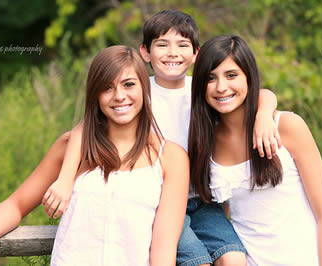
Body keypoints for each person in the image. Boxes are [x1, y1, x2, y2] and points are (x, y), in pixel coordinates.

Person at [45, 9, 280, 266]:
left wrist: (264, 115)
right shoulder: (137, 90)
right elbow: (85, 127)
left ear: (196, 54)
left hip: (202, 200)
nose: (172, 52)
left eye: (182, 45)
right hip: (162, 202)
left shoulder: (203, 89)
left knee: (235, 258)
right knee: (197, 261)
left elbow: (260, 93)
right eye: (162, 45)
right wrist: (66, 178)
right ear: (145, 52)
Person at [0, 45, 190, 266]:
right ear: (95, 94)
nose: (119, 96)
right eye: (107, 88)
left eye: (129, 84)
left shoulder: (171, 158)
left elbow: (164, 249)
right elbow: (16, 204)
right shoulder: (72, 148)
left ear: (144, 87)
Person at [188, 35, 322, 265]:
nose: (221, 87)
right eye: (210, 78)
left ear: (249, 76)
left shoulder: (287, 127)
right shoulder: (205, 142)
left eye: (231, 75)